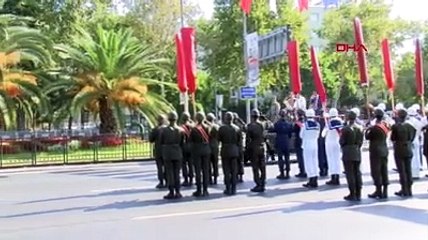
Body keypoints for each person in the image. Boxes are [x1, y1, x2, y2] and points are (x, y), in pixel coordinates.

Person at [365, 108, 390, 199]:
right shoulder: (385, 125)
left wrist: (368, 128)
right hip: (384, 149)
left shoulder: (375, 127)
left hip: (376, 151)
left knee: (376, 171)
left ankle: (378, 190)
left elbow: (368, 137)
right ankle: (385, 190)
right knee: (384, 170)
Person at [391, 109, 416, 197]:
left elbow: (393, 138)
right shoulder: (410, 126)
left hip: (399, 148)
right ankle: (409, 189)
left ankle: (404, 188)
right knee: (408, 170)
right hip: (408, 147)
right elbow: (413, 137)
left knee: (402, 170)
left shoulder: (396, 126)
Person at [160, 111, 185, 199]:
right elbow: (182, 143)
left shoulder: (163, 130)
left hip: (168, 153)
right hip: (177, 152)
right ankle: (178, 191)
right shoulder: (181, 130)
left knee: (170, 173)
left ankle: (171, 191)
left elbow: (161, 142)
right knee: (177, 173)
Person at [340, 110, 364, 201]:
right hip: (356, 151)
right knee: (357, 172)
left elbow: (342, 141)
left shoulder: (345, 129)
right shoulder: (359, 128)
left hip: (348, 151)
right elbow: (361, 141)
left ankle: (352, 193)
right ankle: (359, 192)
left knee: (350, 173)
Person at [218, 112, 242, 195]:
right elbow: (239, 141)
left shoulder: (222, 129)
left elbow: (219, 139)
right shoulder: (237, 128)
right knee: (234, 170)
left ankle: (228, 188)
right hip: (234, 151)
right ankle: (234, 188)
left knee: (226, 171)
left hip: (225, 150)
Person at [190, 112, 211, 197]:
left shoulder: (194, 129)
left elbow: (191, 140)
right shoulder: (207, 127)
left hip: (197, 150)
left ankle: (199, 190)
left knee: (198, 171)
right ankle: (205, 190)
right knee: (206, 170)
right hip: (206, 149)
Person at [247, 109, 266, 192]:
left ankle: (258, 184)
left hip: (254, 148)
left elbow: (248, 139)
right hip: (262, 146)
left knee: (255, 167)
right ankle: (263, 183)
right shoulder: (263, 124)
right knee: (262, 167)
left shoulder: (250, 126)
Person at [322, 108, 343, 185]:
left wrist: (326, 125)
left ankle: (333, 177)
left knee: (331, 160)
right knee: (337, 160)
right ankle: (337, 177)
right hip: (337, 142)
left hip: (330, 143)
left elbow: (323, 134)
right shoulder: (341, 121)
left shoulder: (329, 123)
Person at [270, 109, 293, 179]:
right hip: (286, 142)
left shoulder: (277, 124)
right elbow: (290, 134)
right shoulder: (289, 124)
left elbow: (272, 130)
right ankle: (288, 173)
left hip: (279, 141)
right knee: (287, 158)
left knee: (280, 158)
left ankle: (282, 173)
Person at [301, 109, 320, 188]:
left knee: (308, 162)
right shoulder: (317, 124)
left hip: (307, 144)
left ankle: (311, 179)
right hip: (315, 144)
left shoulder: (305, 125)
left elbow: (301, 135)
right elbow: (318, 135)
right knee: (315, 161)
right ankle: (315, 177)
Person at [406, 107, 425, 179]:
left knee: (412, 157)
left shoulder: (407, 122)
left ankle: (412, 173)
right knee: (416, 157)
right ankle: (416, 173)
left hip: (410, 140)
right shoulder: (417, 121)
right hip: (416, 139)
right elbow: (421, 128)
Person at [149, 114, 167, 189]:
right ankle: (167, 180)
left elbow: (151, 139)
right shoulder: (167, 129)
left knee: (160, 167)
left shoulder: (155, 129)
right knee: (167, 166)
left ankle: (161, 181)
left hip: (158, 150)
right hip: (166, 150)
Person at [180, 112, 194, 187]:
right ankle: (191, 179)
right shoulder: (192, 126)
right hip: (191, 147)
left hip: (184, 147)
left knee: (184, 164)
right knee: (191, 164)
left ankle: (186, 179)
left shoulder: (181, 127)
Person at [206, 113, 220, 185]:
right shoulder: (217, 127)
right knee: (215, 163)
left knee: (208, 164)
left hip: (208, 146)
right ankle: (215, 178)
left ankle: (209, 178)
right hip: (215, 145)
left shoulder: (206, 127)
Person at [233, 113, 246, 182]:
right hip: (240, 145)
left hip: (236, 146)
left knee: (236, 162)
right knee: (240, 161)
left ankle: (236, 176)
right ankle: (240, 176)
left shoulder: (233, 126)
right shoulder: (240, 125)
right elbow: (245, 128)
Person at [294, 109, 307, 178]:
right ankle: (305, 170)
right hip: (305, 141)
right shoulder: (305, 121)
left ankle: (302, 171)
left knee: (300, 157)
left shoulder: (298, 122)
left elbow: (294, 130)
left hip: (299, 141)